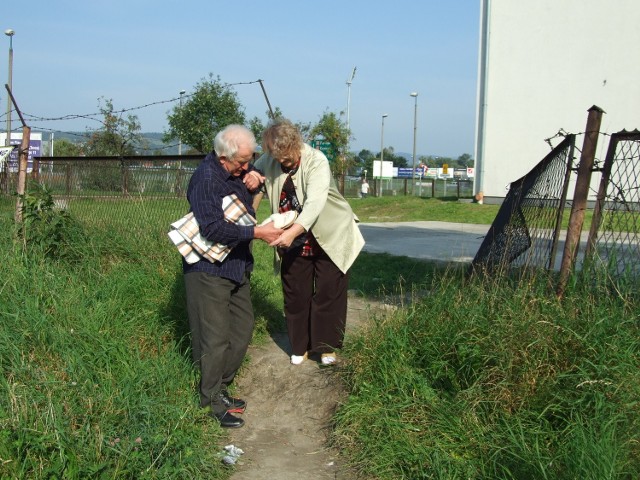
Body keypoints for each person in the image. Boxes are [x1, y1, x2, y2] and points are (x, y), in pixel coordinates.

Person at [183, 124, 281, 428]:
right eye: (241, 162)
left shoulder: (237, 171)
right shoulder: (206, 179)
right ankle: (210, 400)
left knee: (242, 329)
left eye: (249, 160)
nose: (246, 166)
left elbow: (244, 205)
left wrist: (253, 183)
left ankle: (221, 386)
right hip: (209, 270)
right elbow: (212, 228)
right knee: (214, 338)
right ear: (224, 157)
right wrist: (258, 232)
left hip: (237, 266)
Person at [248, 118, 365, 366]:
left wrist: (292, 233)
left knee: (328, 291)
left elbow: (314, 204)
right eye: (277, 157)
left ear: (296, 144)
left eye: (287, 156)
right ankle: (299, 345)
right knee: (295, 291)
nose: (282, 162)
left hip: (330, 233)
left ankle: (325, 347)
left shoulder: (317, 160)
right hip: (290, 234)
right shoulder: (269, 160)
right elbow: (255, 184)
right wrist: (250, 213)